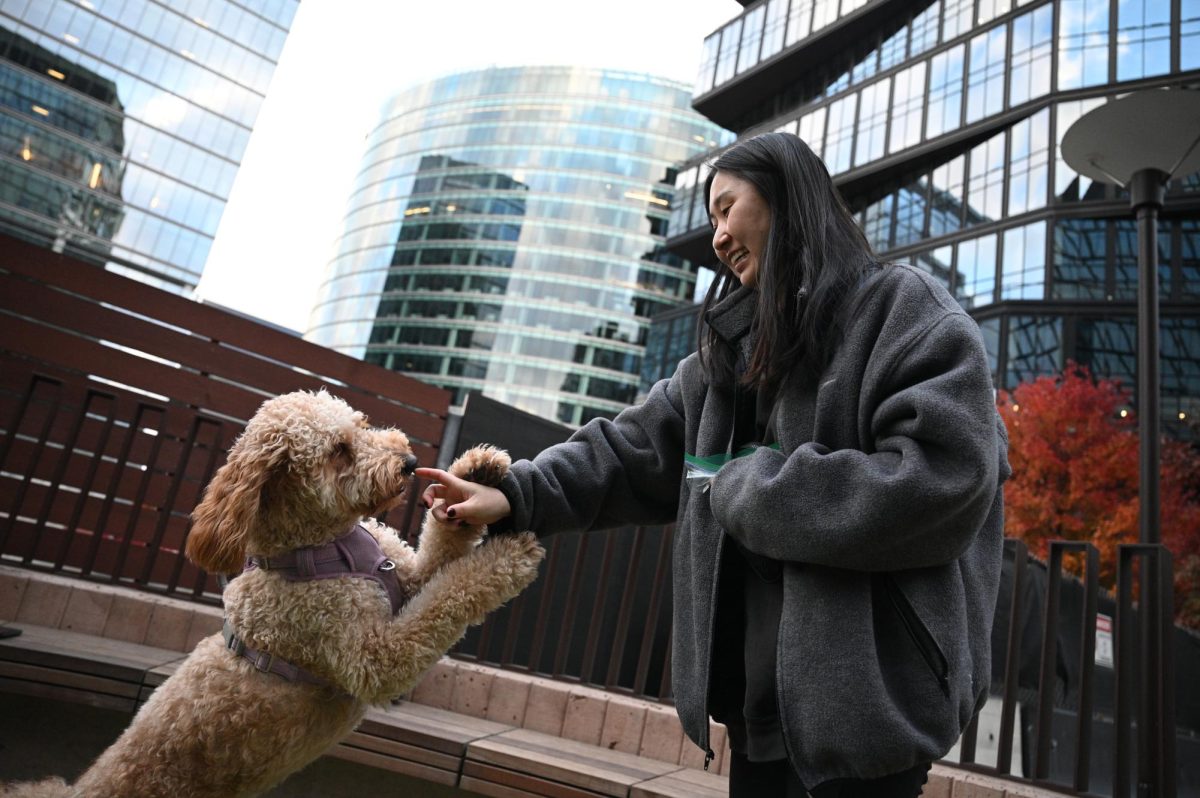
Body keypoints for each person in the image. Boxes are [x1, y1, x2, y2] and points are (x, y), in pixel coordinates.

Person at [416, 132, 1010, 797]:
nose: (719, 235)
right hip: (753, 705)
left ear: (786, 193)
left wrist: (750, 488)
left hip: (868, 714)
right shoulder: (723, 358)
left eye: (729, 207)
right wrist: (517, 495)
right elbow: (625, 449)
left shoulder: (906, 313)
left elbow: (943, 480)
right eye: (713, 219)